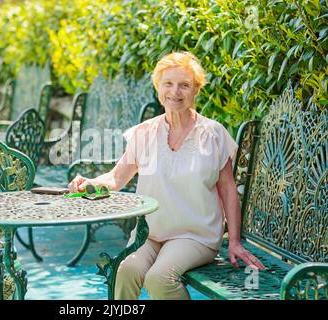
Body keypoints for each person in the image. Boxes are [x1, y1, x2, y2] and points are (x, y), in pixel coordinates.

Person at [68, 51, 265, 300]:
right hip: (149, 233)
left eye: (185, 85)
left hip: (194, 235)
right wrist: (89, 184)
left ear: (196, 90)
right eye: (168, 84)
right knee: (125, 270)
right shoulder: (143, 133)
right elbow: (116, 179)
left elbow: (228, 189)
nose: (175, 92)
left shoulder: (213, 133)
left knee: (159, 279)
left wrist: (234, 241)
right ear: (158, 88)